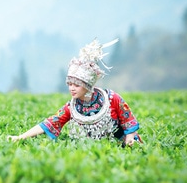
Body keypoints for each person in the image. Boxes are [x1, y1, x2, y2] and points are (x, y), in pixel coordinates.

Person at [8, 38, 142, 147]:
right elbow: (48, 124)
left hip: (122, 145)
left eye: (77, 85)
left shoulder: (111, 98)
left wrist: (129, 139)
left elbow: (128, 120)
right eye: (70, 84)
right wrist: (19, 137)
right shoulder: (71, 108)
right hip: (93, 150)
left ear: (87, 85)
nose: (72, 88)